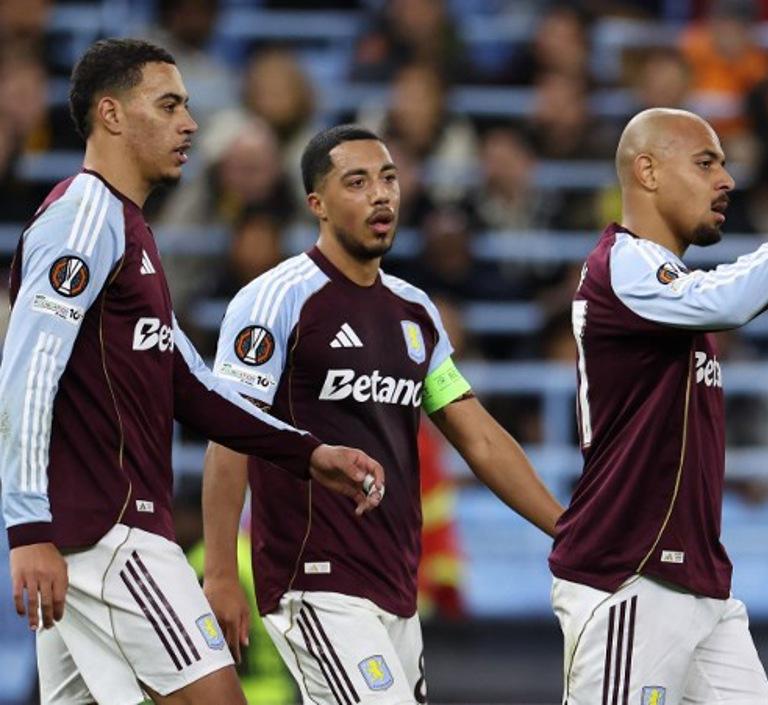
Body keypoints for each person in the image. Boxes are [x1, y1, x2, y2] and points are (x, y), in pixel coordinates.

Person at [0, 39, 385, 705]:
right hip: (111, 531)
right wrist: (27, 525)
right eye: (170, 104)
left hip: (90, 537)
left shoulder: (128, 231)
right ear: (112, 115)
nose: (191, 123)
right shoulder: (85, 215)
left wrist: (308, 452)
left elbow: (194, 385)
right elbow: (27, 368)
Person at [201, 124, 564, 705]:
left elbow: (479, 438)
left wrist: (566, 530)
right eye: (358, 181)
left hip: (397, 588)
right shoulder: (277, 298)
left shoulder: (415, 313)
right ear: (317, 204)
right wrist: (220, 571)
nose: (381, 195)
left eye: (389, 178)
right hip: (313, 580)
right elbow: (230, 435)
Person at [551, 107, 768, 703]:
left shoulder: (669, 286)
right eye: (705, 162)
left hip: (698, 582)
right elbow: (731, 297)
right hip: (630, 577)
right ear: (647, 170)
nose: (728, 180)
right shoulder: (624, 265)